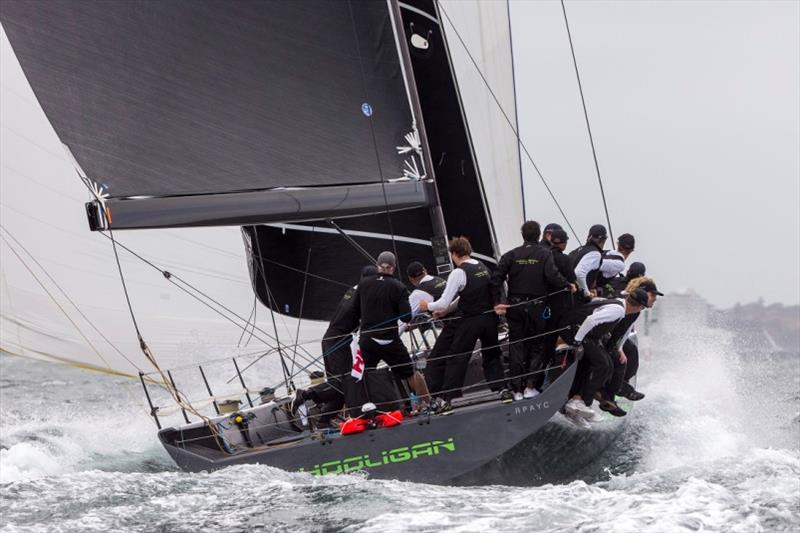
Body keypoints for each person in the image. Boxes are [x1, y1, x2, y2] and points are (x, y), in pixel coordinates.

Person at [420, 237, 508, 411]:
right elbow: (465, 294)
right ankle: (502, 389)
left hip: (471, 320)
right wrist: (447, 311)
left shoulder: (458, 272)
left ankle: (448, 399)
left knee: (457, 357)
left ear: (454, 254)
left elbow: (443, 301)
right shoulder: (481, 266)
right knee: (491, 354)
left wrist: (428, 306)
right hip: (489, 319)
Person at [491, 221, 572, 401]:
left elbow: (496, 278)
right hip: (537, 307)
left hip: (515, 307)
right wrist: (568, 285)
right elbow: (552, 276)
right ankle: (530, 387)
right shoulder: (545, 254)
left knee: (517, 347)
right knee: (537, 346)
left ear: (523, 235)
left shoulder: (511, 255)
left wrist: (497, 302)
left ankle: (516, 390)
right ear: (540, 235)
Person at [291, 265, 376, 423]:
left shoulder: (355, 289)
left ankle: (324, 422)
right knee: (343, 383)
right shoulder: (363, 294)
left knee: (342, 386)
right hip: (337, 343)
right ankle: (306, 394)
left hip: (333, 340)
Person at [353, 251, 429, 406]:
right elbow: (406, 317)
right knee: (410, 373)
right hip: (389, 340)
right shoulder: (399, 287)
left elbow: (355, 311)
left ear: (377, 266)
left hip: (367, 340)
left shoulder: (363, 284)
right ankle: (429, 404)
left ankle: (357, 413)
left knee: (360, 375)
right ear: (393, 268)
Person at [562, 289, 649, 419]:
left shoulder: (620, 305)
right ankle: (579, 402)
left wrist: (618, 348)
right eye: (642, 307)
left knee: (608, 364)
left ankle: (582, 403)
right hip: (573, 329)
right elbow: (590, 320)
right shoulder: (617, 310)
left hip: (584, 333)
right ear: (639, 306)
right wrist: (577, 341)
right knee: (602, 364)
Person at [405, 261, 457, 398]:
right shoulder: (440, 280)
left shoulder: (418, 293)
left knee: (433, 363)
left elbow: (404, 318)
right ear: (425, 270)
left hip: (453, 328)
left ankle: (437, 398)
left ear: (411, 279)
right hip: (460, 322)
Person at [569, 224, 609, 301]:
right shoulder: (595, 254)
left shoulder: (575, 251)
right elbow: (579, 273)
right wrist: (587, 293)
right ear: (603, 240)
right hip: (575, 300)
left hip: (565, 295)